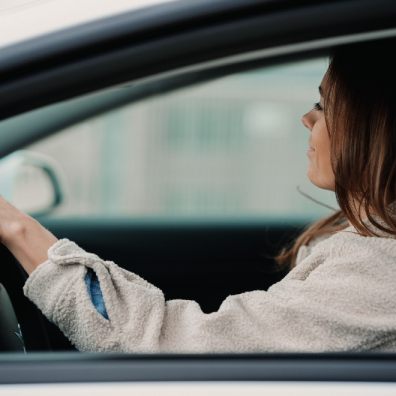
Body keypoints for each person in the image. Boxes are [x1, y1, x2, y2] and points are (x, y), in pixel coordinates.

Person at [2, 38, 396, 353]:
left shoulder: (380, 269)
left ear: (374, 128)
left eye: (324, 105)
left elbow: (166, 348)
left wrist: (17, 229)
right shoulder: (368, 250)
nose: (307, 118)